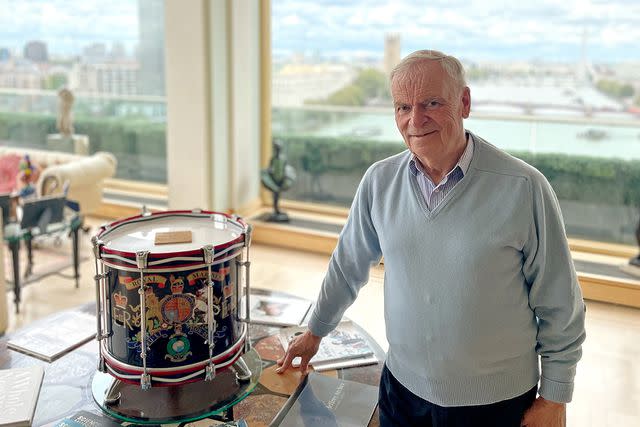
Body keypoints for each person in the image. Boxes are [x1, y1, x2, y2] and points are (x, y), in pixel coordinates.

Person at [276, 50, 586, 427]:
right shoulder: (379, 182)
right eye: (402, 107)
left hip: (495, 405)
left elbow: (560, 304)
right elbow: (347, 267)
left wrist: (555, 395)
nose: (415, 120)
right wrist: (315, 331)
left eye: (432, 103)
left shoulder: (523, 188)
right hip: (401, 392)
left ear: (464, 102)